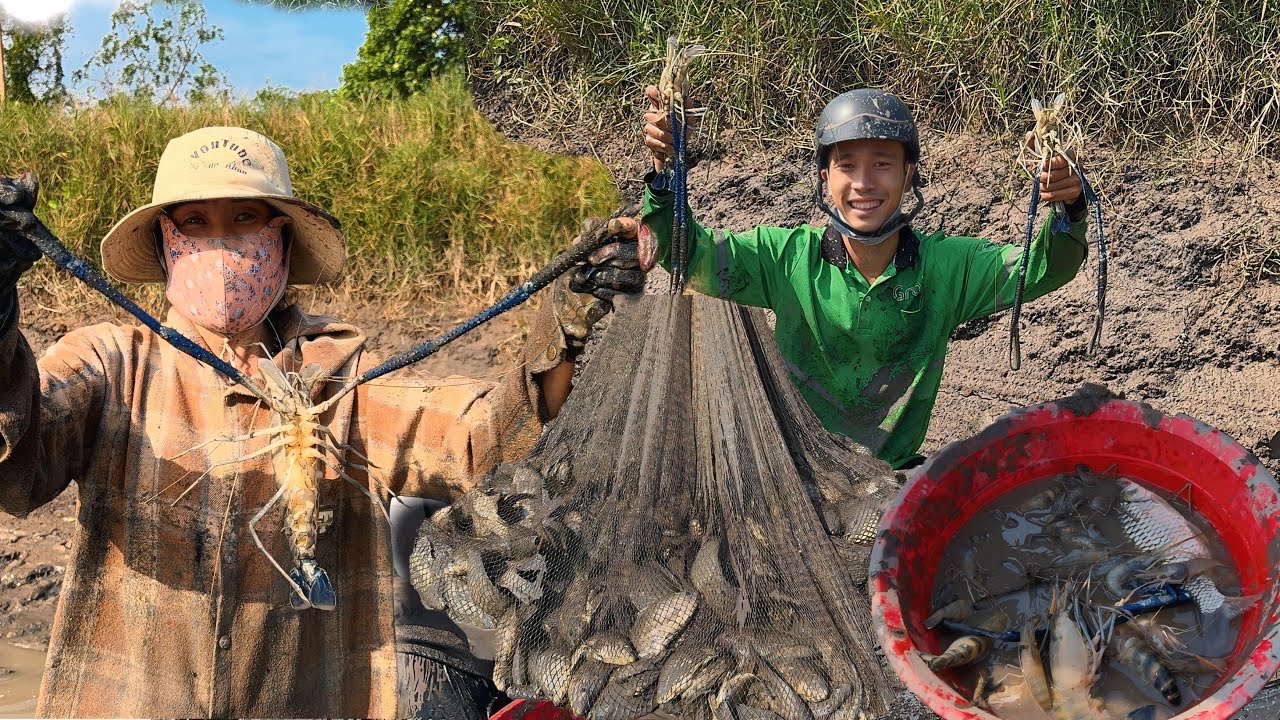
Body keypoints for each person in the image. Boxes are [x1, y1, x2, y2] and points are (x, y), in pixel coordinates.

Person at [0, 126, 639, 718]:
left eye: (245, 219)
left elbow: (479, 440)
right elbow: (18, 465)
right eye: (196, 223)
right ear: (167, 242)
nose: (222, 245)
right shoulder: (112, 362)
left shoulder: (346, 380)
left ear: (280, 239)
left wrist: (570, 323)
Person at [628, 85, 1088, 470]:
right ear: (825, 177)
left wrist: (1069, 208)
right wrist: (665, 175)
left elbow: (1045, 266)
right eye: (847, 165)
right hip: (794, 468)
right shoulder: (786, 257)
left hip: (892, 475)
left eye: (883, 164)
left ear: (910, 176)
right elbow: (690, 256)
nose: (864, 183)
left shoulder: (949, 267)